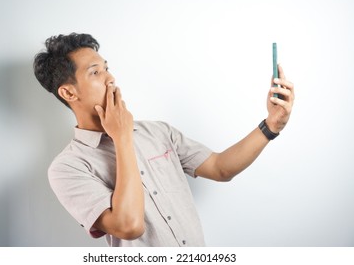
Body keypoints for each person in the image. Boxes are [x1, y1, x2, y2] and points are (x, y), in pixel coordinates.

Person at [33, 33, 294, 247]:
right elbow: (129, 226)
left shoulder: (157, 132)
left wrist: (271, 125)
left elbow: (220, 168)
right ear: (68, 92)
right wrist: (122, 138)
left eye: (107, 69)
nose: (111, 78)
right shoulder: (68, 168)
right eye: (95, 73)